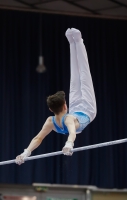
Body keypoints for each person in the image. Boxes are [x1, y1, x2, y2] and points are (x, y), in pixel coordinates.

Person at [15, 28, 97, 165]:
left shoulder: (54, 121)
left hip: (76, 109)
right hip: (88, 110)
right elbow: (38, 138)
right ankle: (78, 40)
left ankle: (72, 42)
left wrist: (69, 144)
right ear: (65, 105)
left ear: (51, 110)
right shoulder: (60, 119)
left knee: (75, 76)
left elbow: (72, 133)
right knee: (83, 73)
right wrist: (26, 153)